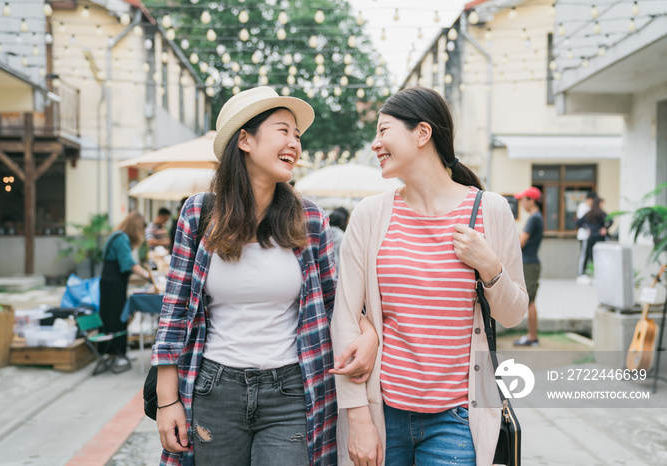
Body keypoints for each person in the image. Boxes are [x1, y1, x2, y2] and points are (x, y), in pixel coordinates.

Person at [152, 86, 377, 466]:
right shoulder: (199, 215)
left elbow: (333, 302)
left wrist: (369, 332)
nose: (295, 144)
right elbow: (174, 313)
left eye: (297, 136)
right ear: (245, 139)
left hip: (289, 389)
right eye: (283, 131)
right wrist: (167, 401)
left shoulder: (309, 219)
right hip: (214, 389)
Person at [330, 87, 528, 466]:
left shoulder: (491, 210)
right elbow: (345, 317)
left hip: (457, 418)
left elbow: (514, 313)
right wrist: (358, 418)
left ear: (422, 134)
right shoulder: (370, 215)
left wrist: (489, 267)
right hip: (382, 411)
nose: (375, 144)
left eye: (383, 131)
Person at [99, 211, 151, 368]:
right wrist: (147, 275)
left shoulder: (118, 235)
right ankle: (114, 353)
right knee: (115, 317)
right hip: (112, 283)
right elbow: (128, 263)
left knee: (115, 315)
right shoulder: (121, 238)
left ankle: (118, 351)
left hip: (112, 281)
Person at [513, 187, 544, 347]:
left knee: (530, 301)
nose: (522, 203)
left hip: (530, 263)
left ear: (531, 201)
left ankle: (532, 336)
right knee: (530, 300)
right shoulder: (536, 217)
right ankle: (531, 335)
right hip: (530, 262)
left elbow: (521, 243)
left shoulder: (534, 218)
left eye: (523, 199)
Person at [576, 197, 613, 276]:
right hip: (600, 237)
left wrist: (587, 228)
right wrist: (605, 228)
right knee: (601, 256)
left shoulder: (589, 213)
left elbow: (578, 222)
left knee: (589, 256)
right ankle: (600, 273)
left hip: (591, 237)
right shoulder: (601, 213)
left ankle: (585, 273)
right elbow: (611, 220)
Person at [575, 192, 597, 279]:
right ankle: (581, 273)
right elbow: (581, 221)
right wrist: (588, 228)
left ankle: (586, 273)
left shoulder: (589, 208)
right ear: (589, 199)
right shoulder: (583, 207)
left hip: (588, 236)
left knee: (588, 255)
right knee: (583, 255)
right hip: (583, 235)